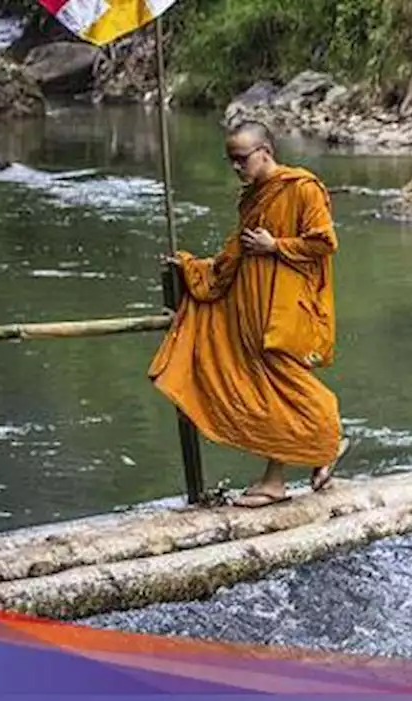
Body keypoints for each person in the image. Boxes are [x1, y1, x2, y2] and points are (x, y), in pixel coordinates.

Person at [148, 121, 347, 508]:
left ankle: (328, 442)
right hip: (253, 309)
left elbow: (324, 242)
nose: (237, 168)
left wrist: (276, 245)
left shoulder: (301, 188)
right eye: (231, 162)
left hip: (287, 311)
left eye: (242, 159)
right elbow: (234, 254)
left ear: (265, 152)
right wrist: (190, 267)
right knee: (264, 390)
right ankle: (278, 478)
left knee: (288, 384)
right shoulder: (252, 197)